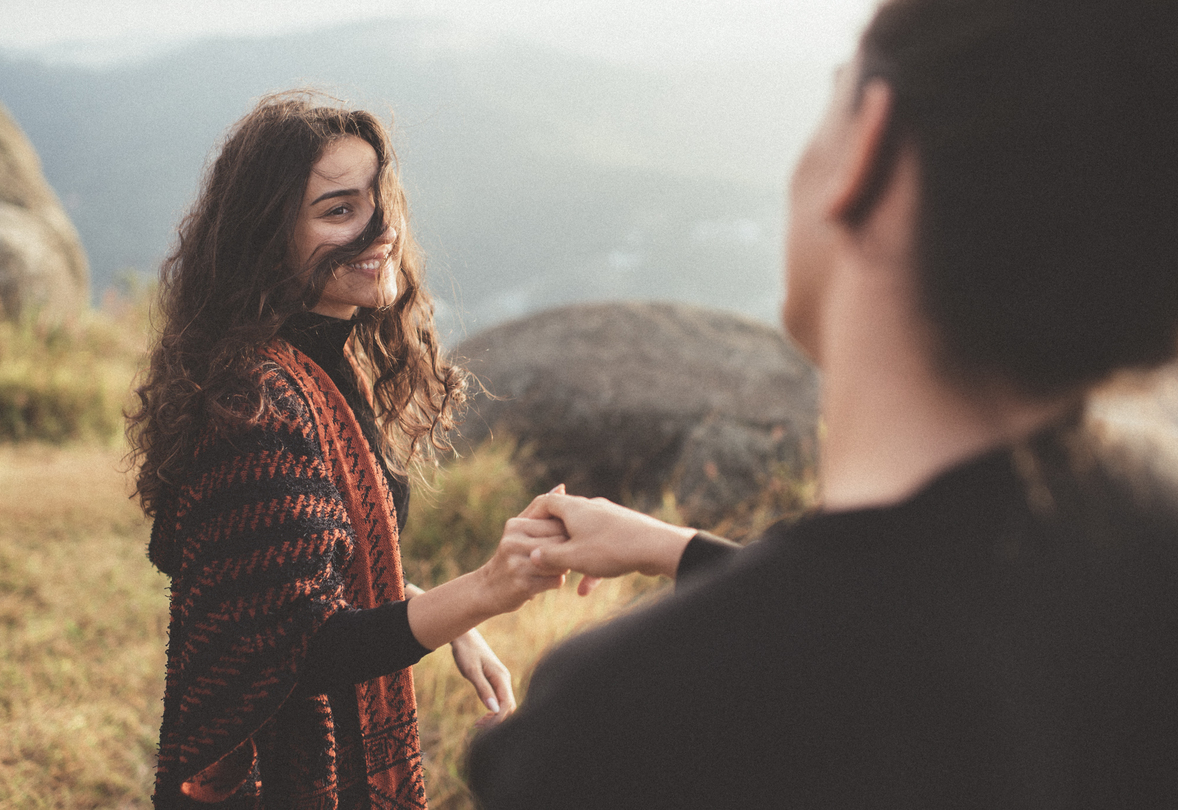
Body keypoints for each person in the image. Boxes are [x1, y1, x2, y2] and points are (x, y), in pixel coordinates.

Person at [467, 0, 1178, 806]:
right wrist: (672, 548)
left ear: (868, 151)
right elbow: (925, 617)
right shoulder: (1144, 569)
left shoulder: (628, 724)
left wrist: (522, 753)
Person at [126, 92, 569, 809]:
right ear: (269, 238)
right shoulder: (258, 401)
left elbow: (302, 577)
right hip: (270, 780)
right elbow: (306, 645)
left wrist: (443, 615)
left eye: (378, 198)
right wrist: (488, 589)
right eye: (340, 211)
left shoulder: (328, 364)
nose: (384, 230)